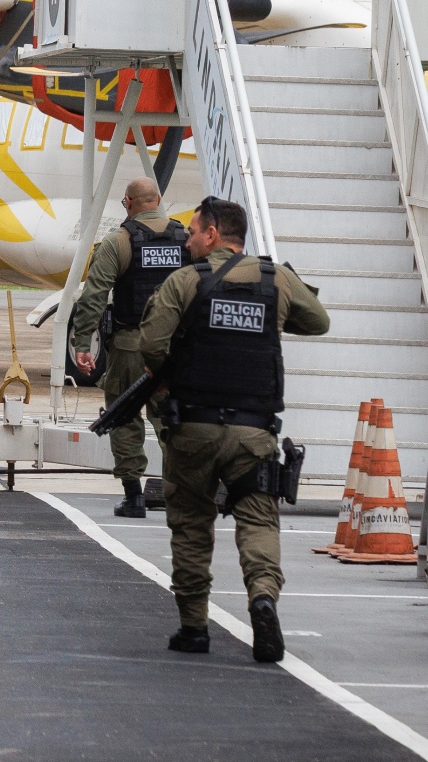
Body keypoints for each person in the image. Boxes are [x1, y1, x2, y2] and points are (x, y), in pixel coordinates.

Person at [138, 197, 328, 663]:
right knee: (259, 520)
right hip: (253, 431)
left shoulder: (184, 282)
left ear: (214, 234)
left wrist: (174, 372)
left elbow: (150, 344)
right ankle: (263, 596)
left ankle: (194, 628)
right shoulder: (275, 279)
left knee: (190, 526)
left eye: (194, 231)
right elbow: (318, 321)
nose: (186, 239)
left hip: (194, 428)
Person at [70, 177, 189, 518]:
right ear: (159, 199)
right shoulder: (185, 239)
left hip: (129, 347)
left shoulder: (118, 242)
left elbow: (94, 296)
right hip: (173, 349)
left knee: (124, 419)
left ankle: (134, 496)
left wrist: (82, 342)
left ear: (128, 203)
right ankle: (180, 496)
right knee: (173, 421)